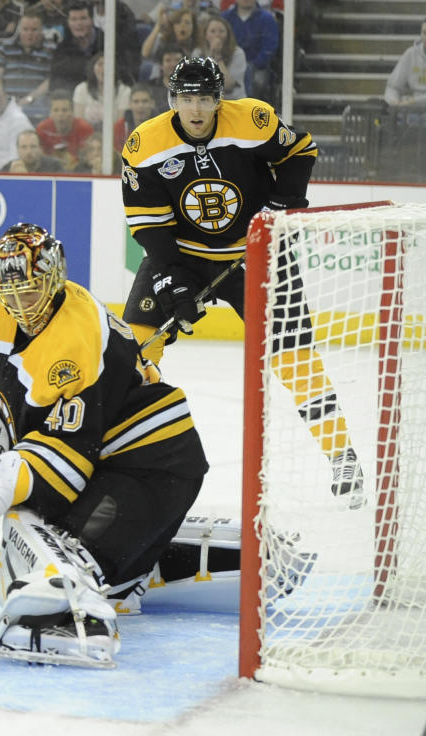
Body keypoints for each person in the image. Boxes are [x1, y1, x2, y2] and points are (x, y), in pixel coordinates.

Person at [0, 223, 209, 666]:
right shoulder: (13, 308)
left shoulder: (72, 343)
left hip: (152, 466)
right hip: (115, 458)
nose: (19, 305)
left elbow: (67, 465)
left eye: (29, 294)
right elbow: (5, 382)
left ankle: (76, 610)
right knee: (33, 518)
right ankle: (130, 571)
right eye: (9, 294)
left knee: (45, 531)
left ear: (53, 280)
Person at [120, 57, 365, 508]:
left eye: (205, 99)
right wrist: (173, 281)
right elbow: (148, 224)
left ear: (219, 98)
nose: (195, 109)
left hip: (256, 252)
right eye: (186, 99)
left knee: (294, 359)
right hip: (182, 254)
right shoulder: (144, 144)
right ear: (172, 99)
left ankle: (342, 454)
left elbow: (301, 150)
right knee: (131, 349)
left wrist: (281, 202)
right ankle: (112, 451)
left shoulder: (252, 120)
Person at [0, 10, 54, 124]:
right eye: (25, 29)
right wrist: (3, 99)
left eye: (34, 29)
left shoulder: (50, 50)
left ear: (41, 30)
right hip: (6, 106)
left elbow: (50, 81)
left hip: (37, 107)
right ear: (19, 30)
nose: (29, 33)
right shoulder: (5, 48)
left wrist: (29, 99)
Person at [221, 0, 278, 103]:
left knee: (257, 81)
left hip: (257, 67)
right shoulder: (225, 18)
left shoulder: (267, 19)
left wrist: (251, 66)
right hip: (228, 64)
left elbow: (269, 48)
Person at [35, 87, 94, 170]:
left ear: (72, 112)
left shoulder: (85, 129)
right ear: (50, 113)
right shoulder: (42, 129)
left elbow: (90, 159)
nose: (60, 114)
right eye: (56, 110)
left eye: (65, 110)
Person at [197, 15, 246, 100]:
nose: (217, 35)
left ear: (228, 34)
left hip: (233, 101)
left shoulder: (238, 53)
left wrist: (218, 57)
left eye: (221, 31)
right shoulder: (198, 53)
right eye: (213, 31)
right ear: (206, 35)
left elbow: (228, 86)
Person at [384, 18, 426, 107]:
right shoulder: (411, 54)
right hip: (414, 112)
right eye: (425, 33)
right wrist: (394, 101)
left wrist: (414, 102)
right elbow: (392, 87)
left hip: (414, 104)